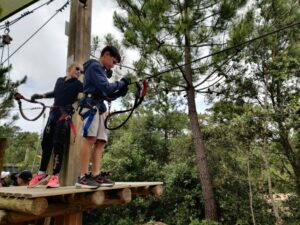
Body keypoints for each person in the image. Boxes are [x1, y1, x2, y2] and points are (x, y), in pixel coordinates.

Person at [76, 46, 130, 188]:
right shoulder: (94, 66)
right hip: (90, 106)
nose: (113, 65)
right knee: (90, 139)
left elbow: (107, 95)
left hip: (98, 107)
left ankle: (96, 174)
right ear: (106, 54)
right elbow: (106, 87)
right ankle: (82, 176)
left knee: (100, 141)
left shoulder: (101, 71)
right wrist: (122, 82)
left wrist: (120, 91)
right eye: (113, 61)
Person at [28, 63, 83, 188]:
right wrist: (41, 96)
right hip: (53, 113)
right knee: (46, 143)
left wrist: (79, 101)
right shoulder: (59, 80)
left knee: (59, 143)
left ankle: (55, 176)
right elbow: (55, 93)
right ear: (70, 68)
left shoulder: (78, 85)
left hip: (64, 115)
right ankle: (41, 174)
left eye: (81, 71)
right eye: (77, 69)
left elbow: (90, 90)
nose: (79, 72)